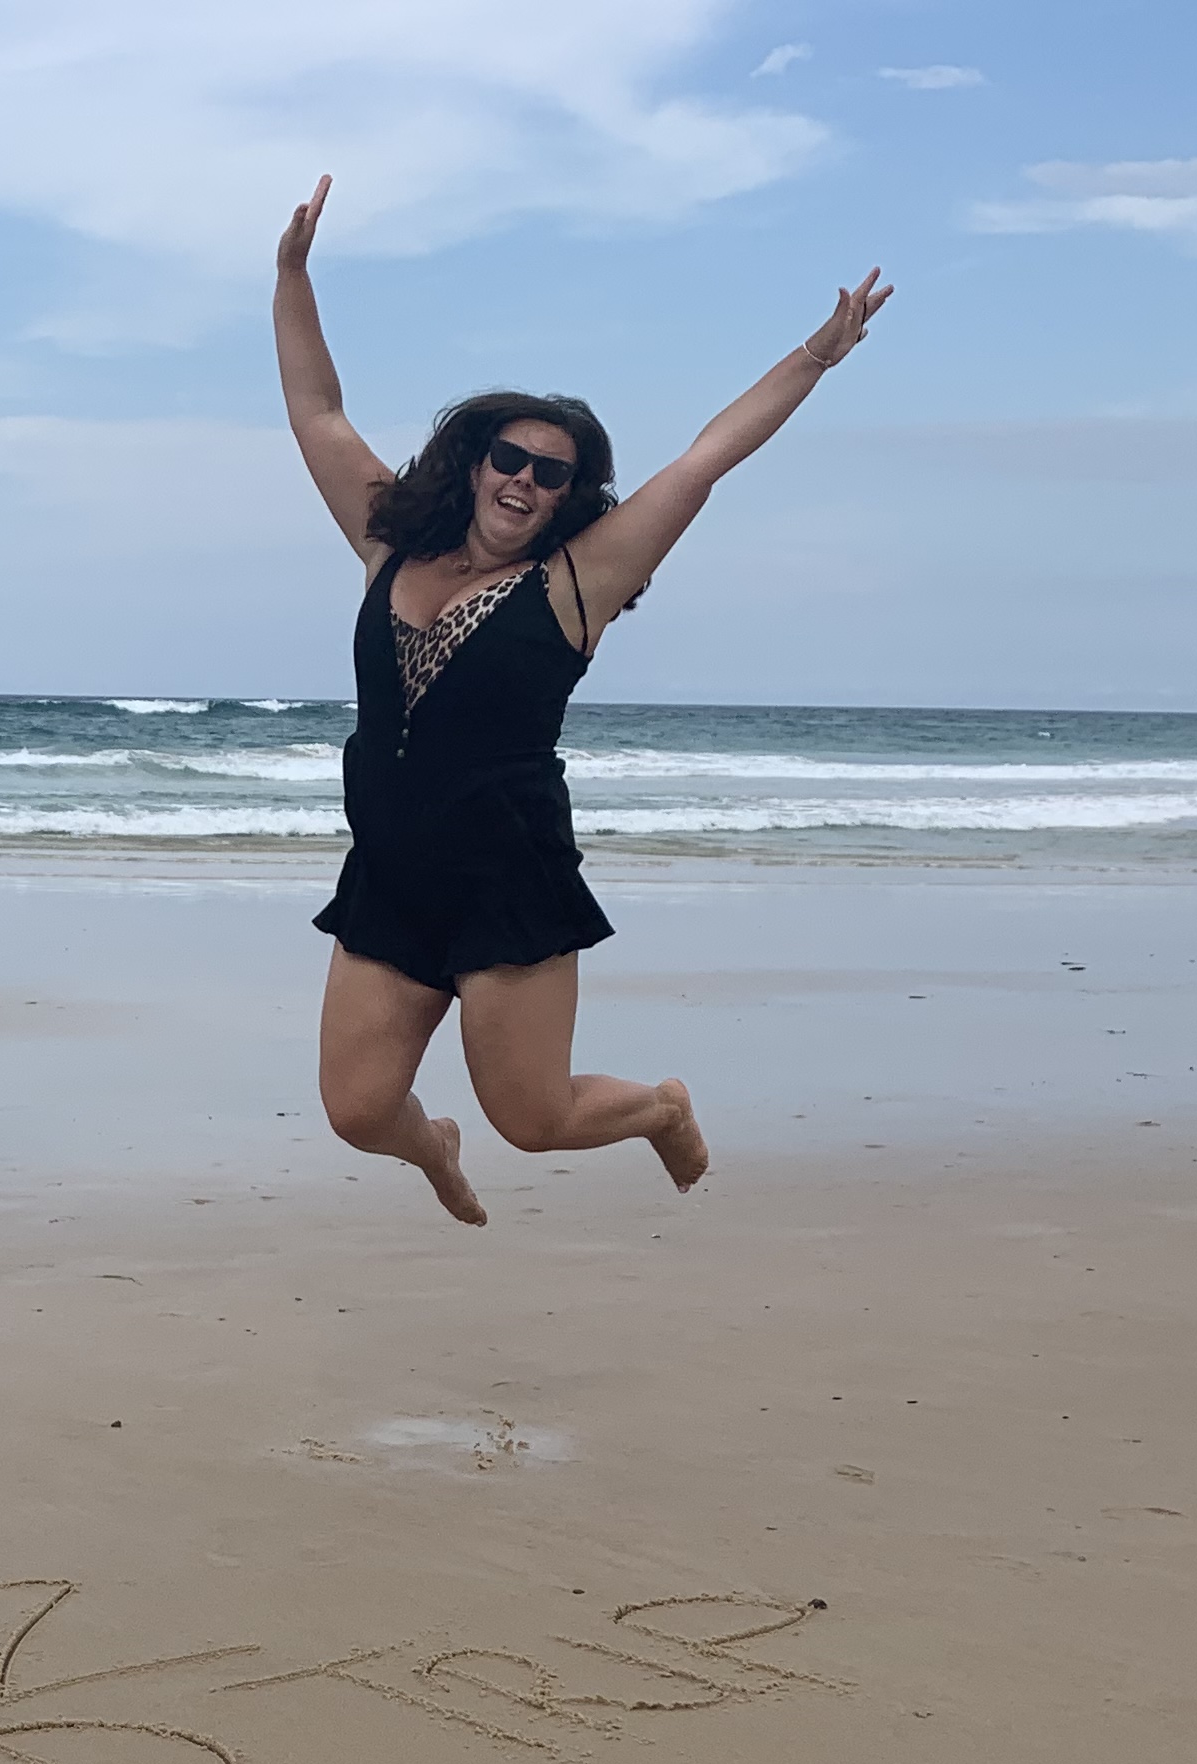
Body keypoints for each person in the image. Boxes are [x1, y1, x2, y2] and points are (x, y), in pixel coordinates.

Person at [272, 174, 891, 1223]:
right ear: (475, 465)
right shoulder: (390, 545)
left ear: (570, 496)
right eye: (510, 459)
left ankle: (660, 1108)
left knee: (537, 1118)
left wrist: (816, 356)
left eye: (551, 473)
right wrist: (292, 275)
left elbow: (704, 461)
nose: (526, 480)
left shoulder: (576, 582)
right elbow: (317, 411)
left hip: (506, 877)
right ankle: (435, 1149)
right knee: (359, 1111)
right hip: (392, 872)